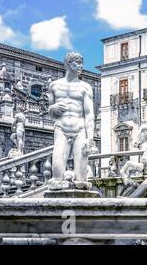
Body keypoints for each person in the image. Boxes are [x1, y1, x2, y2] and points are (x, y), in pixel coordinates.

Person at [47, 51, 97, 190]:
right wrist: (53, 108)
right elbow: (51, 113)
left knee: (81, 180)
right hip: (61, 129)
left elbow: (89, 114)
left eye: (82, 63)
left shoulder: (85, 87)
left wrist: (90, 138)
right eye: (78, 63)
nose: (81, 66)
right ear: (68, 64)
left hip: (80, 129)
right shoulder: (54, 86)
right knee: (57, 176)